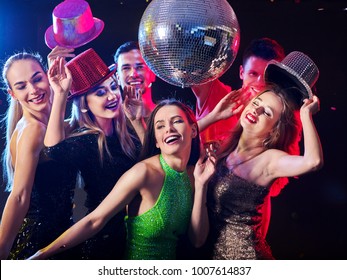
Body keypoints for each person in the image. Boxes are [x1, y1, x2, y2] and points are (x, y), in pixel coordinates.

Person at [28, 99, 216, 260]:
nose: (169, 129)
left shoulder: (194, 175)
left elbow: (198, 240)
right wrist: (42, 255)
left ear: (192, 130)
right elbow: (95, 220)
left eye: (176, 121)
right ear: (157, 141)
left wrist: (201, 186)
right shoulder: (143, 173)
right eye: (160, 126)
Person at [200, 52, 323, 259]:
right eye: (256, 103)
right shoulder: (224, 147)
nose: (255, 111)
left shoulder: (269, 160)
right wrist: (214, 117)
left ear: (274, 130)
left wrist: (305, 115)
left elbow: (314, 161)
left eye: (266, 113)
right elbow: (179, 142)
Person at [42, 47, 145, 259]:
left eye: (113, 87)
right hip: (96, 243)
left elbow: (150, 165)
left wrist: (137, 121)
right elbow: (53, 149)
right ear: (85, 105)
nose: (111, 96)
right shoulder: (86, 141)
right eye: (100, 93)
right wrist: (60, 94)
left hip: (128, 238)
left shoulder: (125, 137)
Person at [0, 52, 78, 259]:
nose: (33, 90)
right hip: (38, 241)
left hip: (58, 236)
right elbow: (19, 196)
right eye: (21, 86)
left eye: (37, 79)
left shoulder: (50, 125)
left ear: (47, 75)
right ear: (12, 94)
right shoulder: (33, 129)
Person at [193, 37, 285, 147]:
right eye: (253, 73)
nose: (260, 82)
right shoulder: (215, 93)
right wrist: (215, 38)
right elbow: (191, 52)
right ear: (242, 72)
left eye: (268, 76)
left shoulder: (278, 120)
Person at [113, 41, 157, 118]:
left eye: (140, 67)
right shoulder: (111, 120)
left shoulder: (168, 114)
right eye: (126, 68)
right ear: (118, 78)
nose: (133, 74)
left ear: (153, 74)